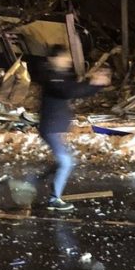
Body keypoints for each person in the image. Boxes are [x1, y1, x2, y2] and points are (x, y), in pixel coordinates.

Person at [30, 46, 109, 212]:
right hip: (50, 128)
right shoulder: (51, 78)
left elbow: (75, 89)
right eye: (64, 57)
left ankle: (30, 182)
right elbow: (68, 91)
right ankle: (53, 199)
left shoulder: (60, 77)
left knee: (62, 162)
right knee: (66, 162)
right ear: (52, 59)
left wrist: (94, 85)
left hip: (56, 128)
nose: (68, 61)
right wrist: (93, 83)